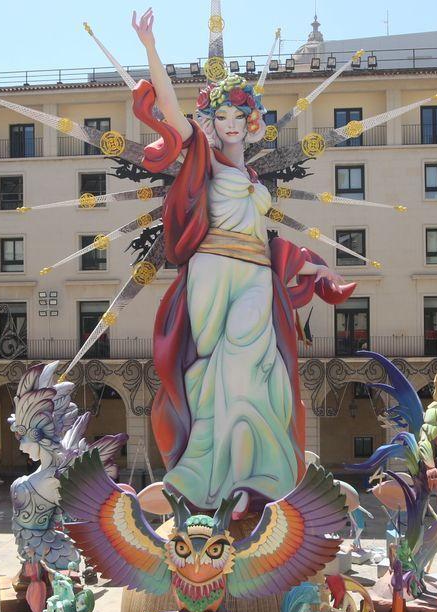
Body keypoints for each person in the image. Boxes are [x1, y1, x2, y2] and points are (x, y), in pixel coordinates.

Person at [130, 8, 354, 515]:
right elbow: (167, 106)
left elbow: (268, 243)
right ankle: (208, 478)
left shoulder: (255, 182)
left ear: (251, 122)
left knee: (263, 366)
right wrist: (150, 48)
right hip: (211, 274)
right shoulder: (201, 161)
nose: (231, 126)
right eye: (221, 117)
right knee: (213, 376)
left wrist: (314, 269)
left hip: (254, 275)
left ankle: (261, 477)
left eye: (239, 117)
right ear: (211, 123)